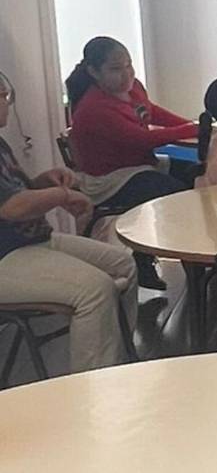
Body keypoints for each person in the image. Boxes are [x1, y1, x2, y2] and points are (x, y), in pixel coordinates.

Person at [0, 79, 137, 373]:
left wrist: (43, 181)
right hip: (6, 255)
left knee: (123, 264)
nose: (6, 102)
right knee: (95, 290)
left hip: (29, 242)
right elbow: (12, 208)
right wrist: (61, 195)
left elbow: (16, 193)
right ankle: (92, 389)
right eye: (3, 95)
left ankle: (119, 362)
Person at [66, 36, 198, 290]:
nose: (126, 74)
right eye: (116, 69)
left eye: (129, 65)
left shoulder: (133, 87)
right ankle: (178, 263)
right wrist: (190, 129)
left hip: (139, 164)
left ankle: (191, 260)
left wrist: (189, 125)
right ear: (94, 72)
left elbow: (151, 112)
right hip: (110, 179)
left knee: (196, 175)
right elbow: (142, 139)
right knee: (177, 195)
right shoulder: (94, 109)